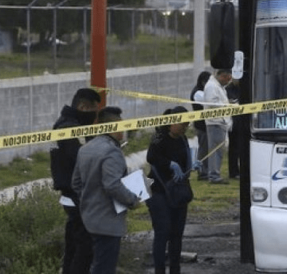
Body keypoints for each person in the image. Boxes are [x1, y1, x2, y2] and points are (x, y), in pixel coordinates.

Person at [72, 106, 140, 274]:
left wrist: (88, 200)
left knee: (93, 264)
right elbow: (112, 185)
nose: (123, 130)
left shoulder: (85, 148)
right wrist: (132, 200)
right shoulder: (112, 151)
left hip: (88, 218)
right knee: (104, 267)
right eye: (121, 126)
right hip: (108, 221)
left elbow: (76, 183)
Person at [51, 88, 101, 274]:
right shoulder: (68, 127)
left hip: (76, 193)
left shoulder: (74, 124)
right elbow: (80, 157)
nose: (95, 115)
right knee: (84, 247)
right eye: (93, 110)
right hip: (75, 195)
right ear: (83, 107)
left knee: (74, 245)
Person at [146, 106, 200, 274]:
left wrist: (192, 165)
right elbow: (151, 157)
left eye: (187, 125)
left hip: (178, 192)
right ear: (172, 122)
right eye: (182, 124)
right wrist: (169, 164)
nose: (185, 128)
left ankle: (175, 269)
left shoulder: (183, 139)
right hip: (159, 191)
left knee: (177, 234)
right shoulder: (159, 137)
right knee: (163, 232)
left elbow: (185, 163)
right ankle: (159, 270)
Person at [203, 68, 233, 184]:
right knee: (215, 150)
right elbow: (211, 103)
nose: (228, 82)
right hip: (215, 122)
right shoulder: (212, 86)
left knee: (219, 150)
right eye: (227, 79)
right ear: (221, 76)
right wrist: (227, 106)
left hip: (220, 121)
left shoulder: (219, 86)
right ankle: (214, 175)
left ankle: (215, 173)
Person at [190, 71, 211, 181]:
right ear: (203, 82)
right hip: (201, 126)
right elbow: (209, 102)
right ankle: (202, 172)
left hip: (204, 124)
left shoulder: (200, 91)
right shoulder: (198, 93)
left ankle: (205, 171)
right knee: (203, 150)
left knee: (206, 149)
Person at [225, 79, 242, 179]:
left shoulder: (244, 87)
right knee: (233, 149)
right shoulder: (228, 89)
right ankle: (233, 171)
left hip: (242, 121)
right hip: (233, 123)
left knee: (241, 148)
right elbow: (231, 101)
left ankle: (240, 170)